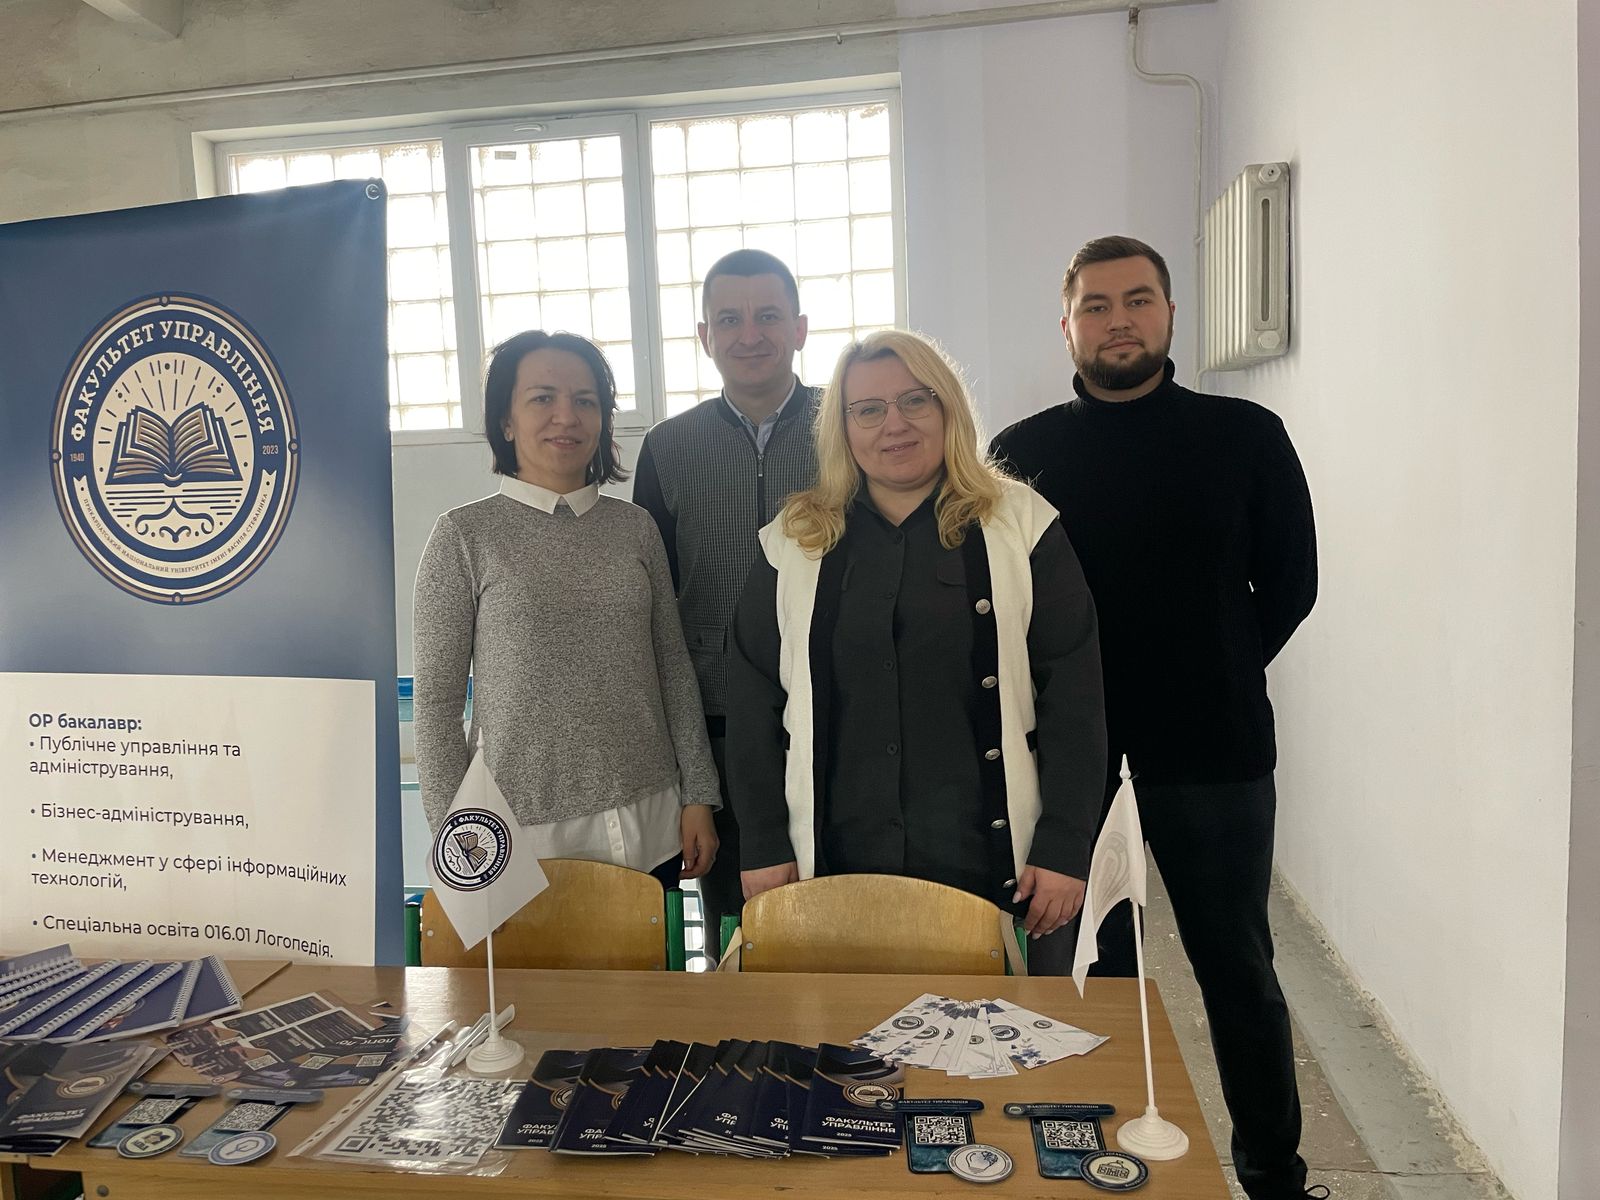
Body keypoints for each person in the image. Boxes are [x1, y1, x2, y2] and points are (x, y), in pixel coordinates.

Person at [989, 236, 1320, 1200]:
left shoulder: (1245, 436)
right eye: (1096, 306)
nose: (1118, 320)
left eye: (1138, 300)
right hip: (1073, 764)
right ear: (1066, 327)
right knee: (1092, 971)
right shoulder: (1019, 454)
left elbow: (1291, 583)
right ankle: (1097, 1166)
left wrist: (1217, 666)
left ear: (1171, 315)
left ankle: (1273, 1175)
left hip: (1214, 751)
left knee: (1237, 970)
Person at [726, 329, 1107, 970]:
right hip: (835, 860)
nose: (893, 424)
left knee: (1001, 1030)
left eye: (915, 400)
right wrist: (763, 842)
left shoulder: (1022, 524)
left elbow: (1075, 695)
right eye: (868, 409)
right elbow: (753, 701)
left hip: (987, 859)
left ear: (947, 407)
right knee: (839, 1028)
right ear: (842, 427)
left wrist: (1065, 846)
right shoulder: (790, 541)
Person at [413, 330, 720, 893]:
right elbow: (436, 705)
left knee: (652, 956)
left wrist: (699, 793)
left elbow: (673, 669)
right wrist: (456, 839)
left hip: (649, 820)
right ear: (506, 421)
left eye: (585, 400)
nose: (567, 416)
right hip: (516, 836)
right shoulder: (463, 536)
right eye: (542, 398)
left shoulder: (636, 529)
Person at [632, 249, 821, 945]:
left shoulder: (851, 426)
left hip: (836, 716)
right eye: (729, 319)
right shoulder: (668, 448)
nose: (750, 335)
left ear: (799, 328)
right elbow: (652, 605)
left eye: (768, 315)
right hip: (716, 726)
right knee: (739, 930)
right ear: (704, 335)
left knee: (843, 919)